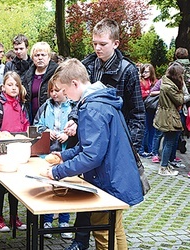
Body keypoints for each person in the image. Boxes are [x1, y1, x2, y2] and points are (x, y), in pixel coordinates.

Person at [65, 18, 145, 250]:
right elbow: (79, 99)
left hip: (113, 151)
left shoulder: (127, 70)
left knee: (107, 218)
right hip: (89, 143)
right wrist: (73, 119)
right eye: (94, 43)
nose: (97, 48)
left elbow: (138, 114)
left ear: (116, 43)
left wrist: (128, 152)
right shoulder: (88, 64)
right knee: (86, 198)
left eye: (102, 44)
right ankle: (79, 241)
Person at [46, 58, 143, 249]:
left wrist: (57, 172)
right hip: (117, 176)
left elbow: (91, 156)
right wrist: (64, 156)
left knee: (103, 232)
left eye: (65, 90)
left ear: (75, 83)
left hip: (108, 181)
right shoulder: (100, 100)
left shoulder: (92, 108)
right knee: (116, 230)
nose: (65, 95)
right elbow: (89, 146)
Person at [33, 77, 77, 239]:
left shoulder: (73, 107)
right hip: (48, 154)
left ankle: (64, 220)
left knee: (65, 187)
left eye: (56, 90)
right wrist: (46, 131)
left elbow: (78, 128)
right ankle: (47, 219)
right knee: (48, 187)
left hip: (66, 154)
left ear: (65, 90)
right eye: (51, 91)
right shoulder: (45, 106)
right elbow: (36, 124)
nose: (53, 94)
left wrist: (68, 135)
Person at [0, 71, 29, 232]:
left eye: (16, 85)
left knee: (16, 186)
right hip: (2, 151)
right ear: (3, 87)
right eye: (10, 85)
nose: (13, 88)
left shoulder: (22, 105)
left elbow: (26, 124)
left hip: (17, 149)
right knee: (1, 186)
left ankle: (14, 217)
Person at [153, 63, 185, 176]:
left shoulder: (165, 83)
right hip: (169, 117)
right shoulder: (170, 87)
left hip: (165, 114)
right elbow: (180, 100)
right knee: (169, 142)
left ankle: (165, 164)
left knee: (167, 140)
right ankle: (163, 167)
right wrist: (181, 91)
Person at [22, 41, 58, 124]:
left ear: (49, 57)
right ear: (32, 58)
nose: (40, 58)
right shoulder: (28, 75)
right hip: (31, 117)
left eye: (43, 55)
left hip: (51, 117)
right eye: (37, 55)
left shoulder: (56, 73)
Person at [139, 63, 158, 157]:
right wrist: (150, 92)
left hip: (153, 108)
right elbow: (141, 93)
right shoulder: (141, 81)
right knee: (145, 129)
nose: (144, 74)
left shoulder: (155, 81)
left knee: (152, 129)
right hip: (144, 107)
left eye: (146, 72)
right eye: (143, 72)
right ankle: (141, 150)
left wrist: (151, 92)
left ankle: (150, 149)